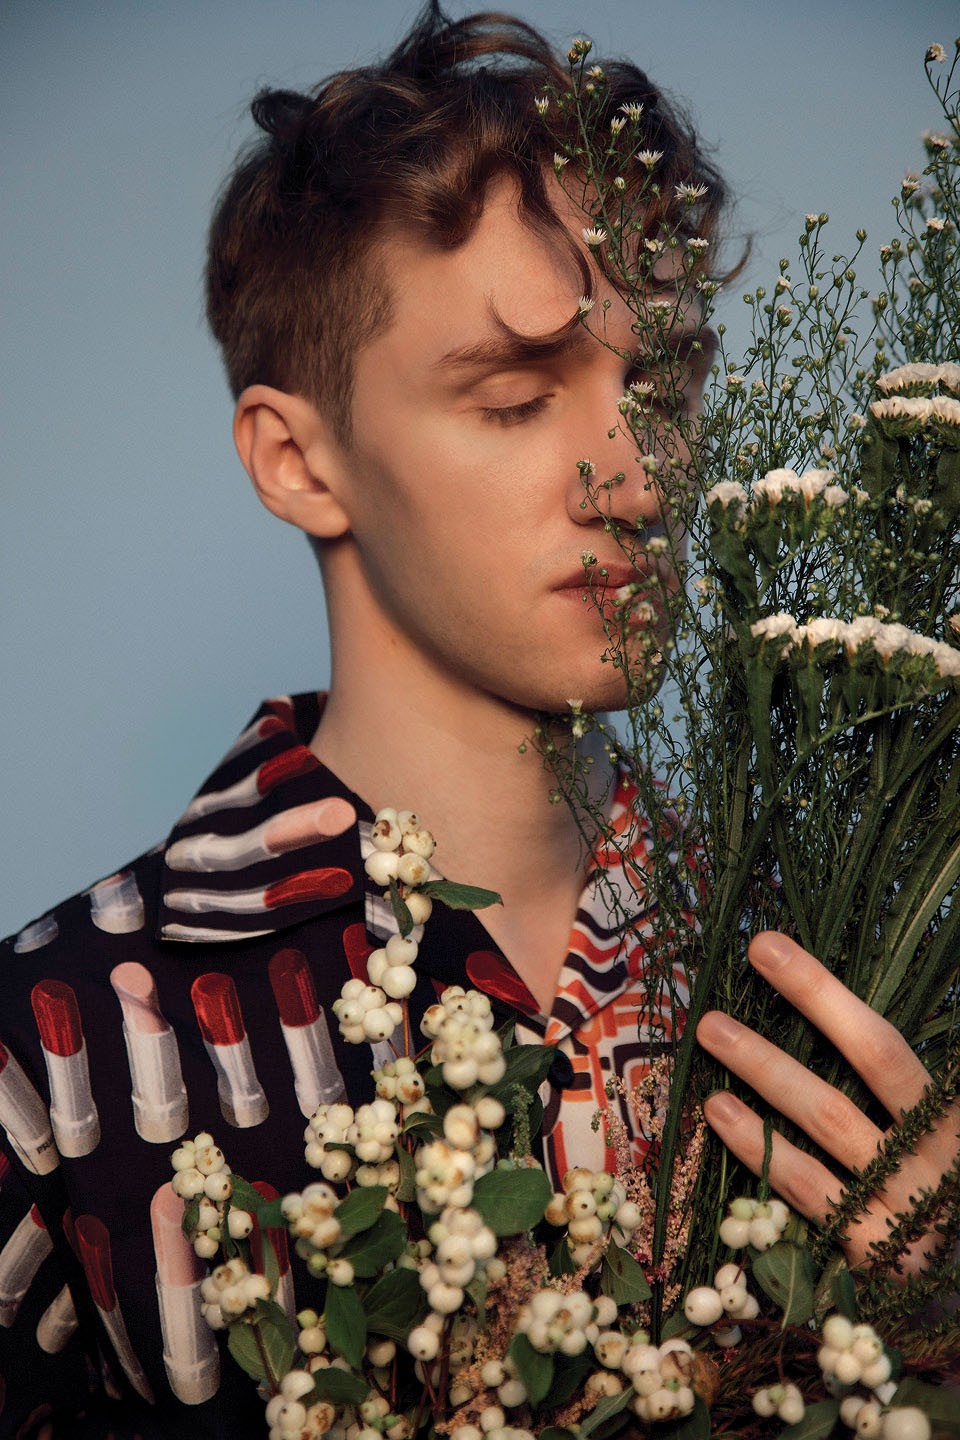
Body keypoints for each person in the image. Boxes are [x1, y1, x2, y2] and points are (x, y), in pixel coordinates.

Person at [0, 5, 955, 1436]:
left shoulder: (849, 971)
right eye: (514, 399)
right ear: (296, 460)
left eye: (663, 383)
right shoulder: (52, 1046)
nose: (637, 476)